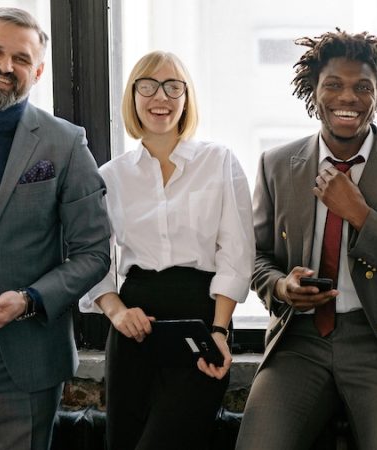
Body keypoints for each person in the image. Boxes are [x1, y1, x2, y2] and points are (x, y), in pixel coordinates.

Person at [235, 29, 377, 450]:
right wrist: (281, 286)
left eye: (362, 88)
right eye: (333, 84)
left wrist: (362, 216)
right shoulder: (276, 164)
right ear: (313, 91)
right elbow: (256, 257)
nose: (347, 98)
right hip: (299, 342)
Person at [0, 7, 111, 450]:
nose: (5, 67)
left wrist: (31, 300)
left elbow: (93, 253)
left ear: (39, 70)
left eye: (21, 58)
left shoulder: (66, 143)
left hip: (28, 358)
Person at [78, 51, 254, 449]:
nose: (162, 96)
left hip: (200, 321)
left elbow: (237, 252)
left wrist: (220, 331)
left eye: (174, 86)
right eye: (149, 85)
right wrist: (117, 312)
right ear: (133, 96)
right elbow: (93, 257)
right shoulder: (110, 175)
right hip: (135, 326)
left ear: (186, 97)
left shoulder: (219, 161)